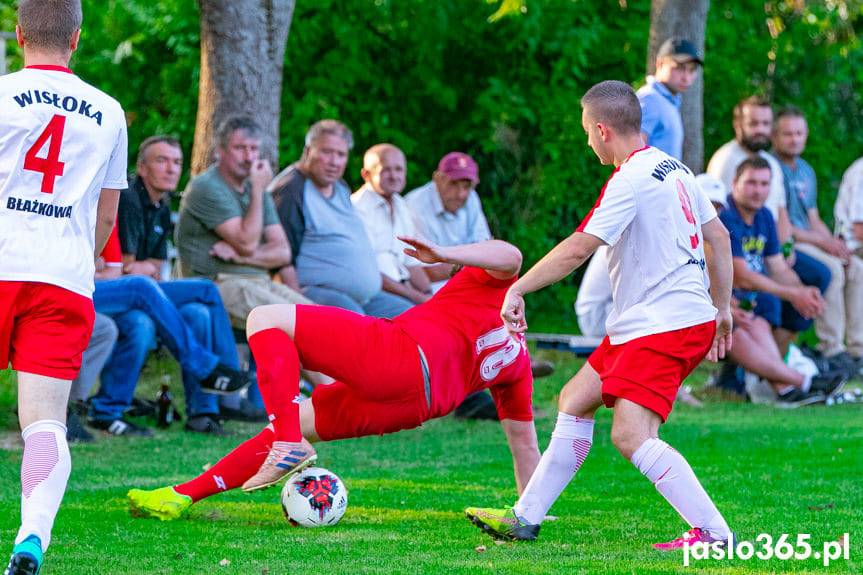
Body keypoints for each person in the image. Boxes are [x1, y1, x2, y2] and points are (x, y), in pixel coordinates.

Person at [465, 80, 734, 549]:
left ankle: (714, 534)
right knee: (574, 398)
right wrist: (723, 308)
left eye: (587, 131)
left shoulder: (628, 180)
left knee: (631, 436)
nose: (588, 140)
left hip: (664, 325)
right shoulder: (676, 169)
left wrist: (518, 287)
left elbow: (577, 250)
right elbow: (722, 239)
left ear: (603, 129)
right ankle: (524, 517)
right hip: (655, 321)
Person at [126, 237, 542, 518]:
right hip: (414, 408)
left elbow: (510, 256)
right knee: (296, 417)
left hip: (401, 356)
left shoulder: (493, 286)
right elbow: (524, 444)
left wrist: (445, 252)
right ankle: (181, 496)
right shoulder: (518, 364)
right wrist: (530, 512)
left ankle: (289, 444)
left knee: (265, 319)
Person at [0, 2, 126, 572]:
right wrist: (85, 259)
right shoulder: (109, 112)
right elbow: (106, 216)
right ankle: (31, 537)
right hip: (61, 278)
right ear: (76, 39)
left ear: (20, 33)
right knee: (45, 423)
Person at [116, 135, 245, 433]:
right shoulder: (128, 197)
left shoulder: (160, 204)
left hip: (146, 293)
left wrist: (144, 267)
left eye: (176, 162)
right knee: (205, 290)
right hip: (122, 293)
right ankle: (226, 373)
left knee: (198, 314)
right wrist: (142, 268)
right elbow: (126, 267)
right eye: (161, 161)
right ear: (142, 167)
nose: (171, 169)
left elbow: (156, 268)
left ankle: (203, 412)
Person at [719, 157, 842, 403]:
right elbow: (741, 274)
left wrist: (802, 291)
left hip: (749, 299)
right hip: (722, 297)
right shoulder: (726, 217)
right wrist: (791, 294)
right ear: (734, 183)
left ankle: (785, 389)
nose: (758, 190)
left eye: (764, 184)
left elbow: (777, 266)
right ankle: (801, 381)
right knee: (740, 328)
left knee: (765, 318)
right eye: (751, 183)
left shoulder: (765, 215)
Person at [268, 120, 413, 318]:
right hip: (315, 293)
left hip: (367, 296)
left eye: (341, 155)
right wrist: (297, 306)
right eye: (327, 152)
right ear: (308, 150)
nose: (334, 162)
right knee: (357, 327)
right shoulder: (291, 190)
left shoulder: (340, 186)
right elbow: (280, 256)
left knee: (412, 317)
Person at [176, 115, 311, 327]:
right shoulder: (207, 186)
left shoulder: (254, 186)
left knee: (322, 319)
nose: (249, 157)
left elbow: (283, 253)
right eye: (240, 148)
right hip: (216, 284)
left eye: (254, 149)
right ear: (219, 151)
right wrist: (258, 189)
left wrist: (238, 258)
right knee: (301, 326)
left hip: (261, 281)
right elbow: (247, 242)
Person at [771, 107, 863, 371]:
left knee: (855, 267)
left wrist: (836, 246)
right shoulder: (772, 167)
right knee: (832, 270)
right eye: (787, 134)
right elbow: (783, 222)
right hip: (787, 241)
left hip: (809, 238)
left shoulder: (805, 170)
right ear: (775, 137)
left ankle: (857, 349)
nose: (794, 139)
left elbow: (812, 217)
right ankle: (832, 347)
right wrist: (824, 244)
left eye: (799, 133)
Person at [352, 144, 433, 304]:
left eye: (399, 169)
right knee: (417, 320)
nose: (394, 176)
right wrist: (418, 298)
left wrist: (430, 294)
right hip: (375, 293)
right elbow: (370, 272)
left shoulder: (401, 204)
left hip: (404, 291)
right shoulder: (357, 208)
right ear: (366, 175)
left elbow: (411, 264)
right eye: (386, 170)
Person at [637, 37, 702, 159]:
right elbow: (632, 155)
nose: (686, 77)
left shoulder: (668, 100)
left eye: (692, 70)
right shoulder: (649, 98)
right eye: (679, 68)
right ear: (660, 64)